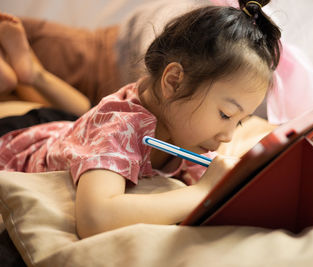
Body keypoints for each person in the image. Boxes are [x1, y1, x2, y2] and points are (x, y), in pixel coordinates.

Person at [0, 0, 281, 238]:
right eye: (225, 115)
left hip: (67, 126)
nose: (228, 135)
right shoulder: (119, 128)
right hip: (20, 141)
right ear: (173, 82)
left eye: (239, 122)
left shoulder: (184, 130)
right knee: (72, 113)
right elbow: (94, 219)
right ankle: (24, 76)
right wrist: (201, 192)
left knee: (82, 110)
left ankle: (30, 75)